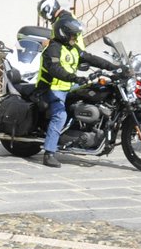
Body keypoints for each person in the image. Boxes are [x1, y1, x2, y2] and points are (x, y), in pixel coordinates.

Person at [36, 15, 115, 168]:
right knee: (60, 115)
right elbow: (55, 69)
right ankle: (49, 153)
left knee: (93, 96)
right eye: (73, 34)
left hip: (68, 87)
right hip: (51, 89)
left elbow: (90, 58)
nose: (75, 37)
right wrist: (74, 78)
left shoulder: (72, 48)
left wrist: (111, 67)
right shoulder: (52, 48)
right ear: (63, 33)